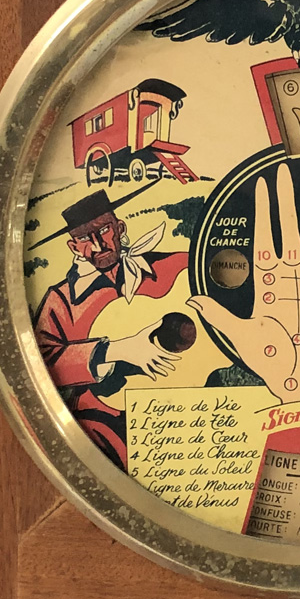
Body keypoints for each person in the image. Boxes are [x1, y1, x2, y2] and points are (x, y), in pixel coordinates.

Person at [32, 192, 188, 467]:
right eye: (83, 238)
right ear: (73, 247)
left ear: (120, 228)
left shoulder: (171, 266)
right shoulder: (62, 300)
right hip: (102, 425)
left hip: (186, 413)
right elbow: (40, 362)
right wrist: (116, 350)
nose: (96, 243)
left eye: (103, 229)